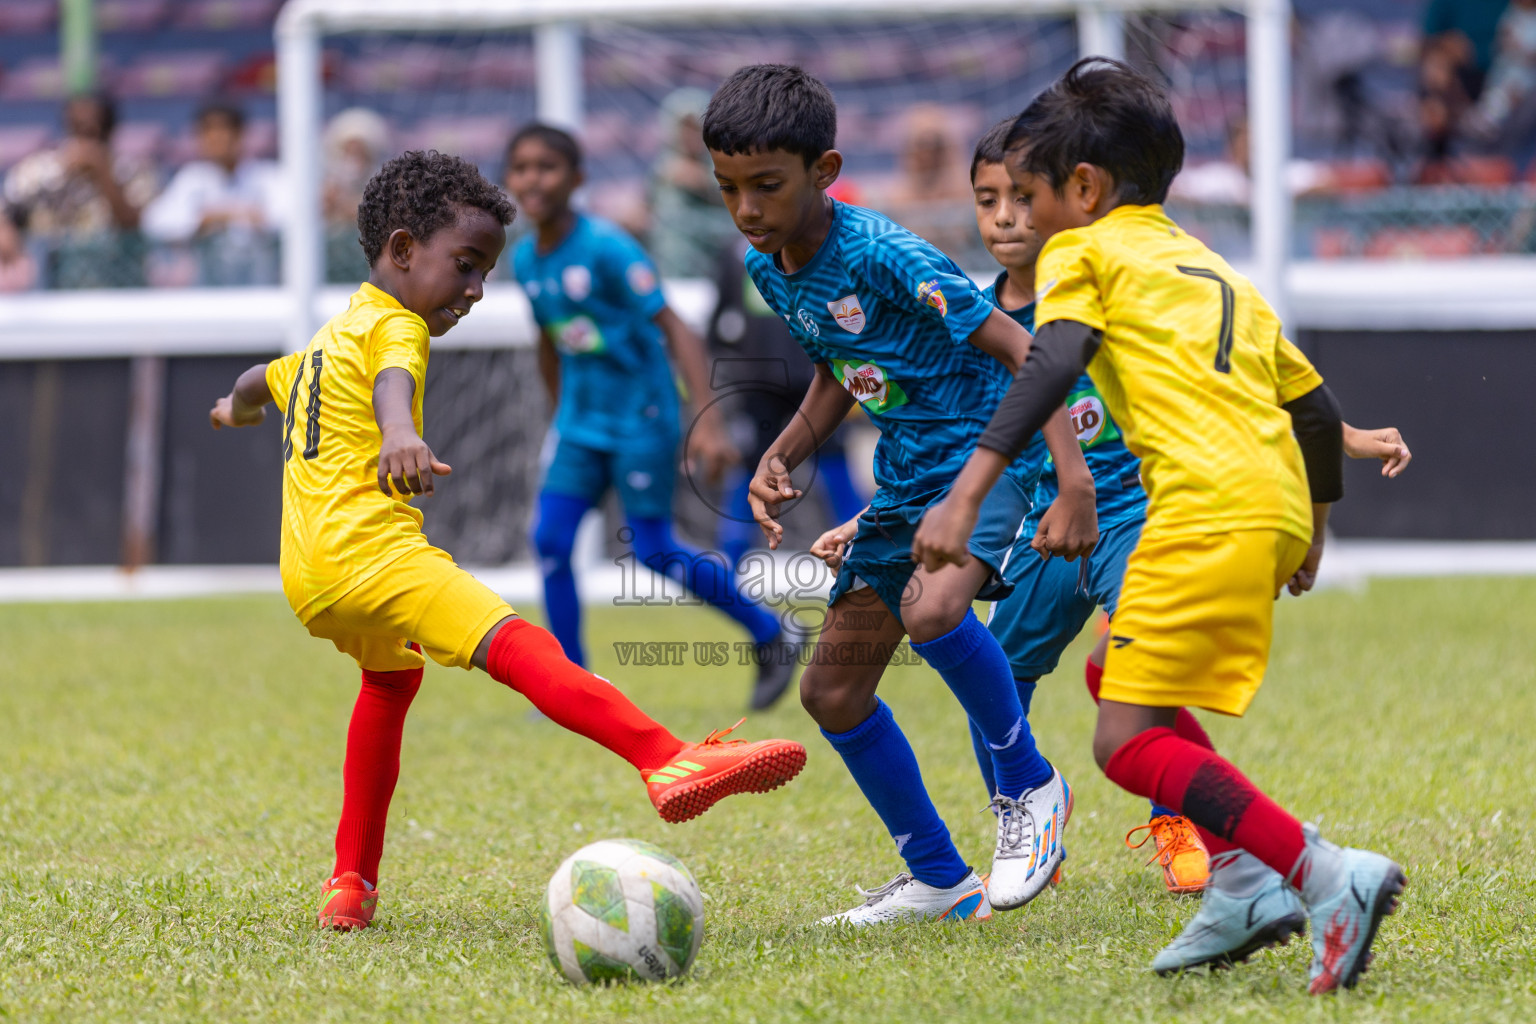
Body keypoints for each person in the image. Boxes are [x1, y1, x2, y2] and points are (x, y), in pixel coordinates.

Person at [208, 149, 806, 932]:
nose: (474, 289)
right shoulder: (394, 329)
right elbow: (395, 381)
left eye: (485, 271)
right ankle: (666, 757)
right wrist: (398, 434)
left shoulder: (329, 337)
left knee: (388, 686)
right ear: (400, 251)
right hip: (373, 559)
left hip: (310, 580)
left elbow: (264, 377)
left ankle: (349, 885)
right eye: (463, 265)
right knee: (522, 645)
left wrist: (234, 408)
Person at [913, 59, 1407, 994]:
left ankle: (1320, 872)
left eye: (1031, 191)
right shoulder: (1209, 266)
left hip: (1201, 506)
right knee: (1113, 675)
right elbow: (1311, 411)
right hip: (1266, 503)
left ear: (1084, 189)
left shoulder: (1080, 253)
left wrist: (968, 492)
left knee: (1120, 743)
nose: (1021, 213)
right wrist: (1314, 535)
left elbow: (1051, 364)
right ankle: (1242, 882)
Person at [703, 64, 1101, 926]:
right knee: (832, 694)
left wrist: (1071, 477)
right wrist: (788, 447)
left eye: (766, 186)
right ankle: (939, 879)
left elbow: (1024, 351)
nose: (747, 208)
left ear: (825, 169)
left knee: (930, 609)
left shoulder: (884, 252)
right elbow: (840, 369)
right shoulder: (770, 267)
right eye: (728, 187)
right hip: (910, 474)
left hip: (988, 454)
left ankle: (1031, 786)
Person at [503, 123, 802, 712]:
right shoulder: (525, 260)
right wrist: (557, 416)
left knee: (653, 549)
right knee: (550, 540)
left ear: (577, 179)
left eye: (547, 167)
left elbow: (676, 328)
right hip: (580, 427)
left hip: (641, 418)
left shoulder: (607, 248)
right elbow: (549, 339)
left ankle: (771, 632)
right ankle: (574, 686)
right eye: (521, 168)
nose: (532, 179)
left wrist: (707, 423)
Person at [2, 91, 156, 288]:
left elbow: (135, 226)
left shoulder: (134, 172)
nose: (84, 139)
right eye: (77, 128)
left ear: (110, 130)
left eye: (92, 131)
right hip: (49, 288)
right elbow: (6, 211)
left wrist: (103, 175)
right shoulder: (38, 171)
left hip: (116, 287)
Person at [142, 100, 283, 285]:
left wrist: (252, 217)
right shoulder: (191, 178)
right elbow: (154, 222)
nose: (217, 138)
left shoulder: (267, 177)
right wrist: (202, 221)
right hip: (206, 291)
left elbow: (291, 219)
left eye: (225, 130)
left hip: (262, 286)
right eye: (209, 131)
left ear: (240, 134)